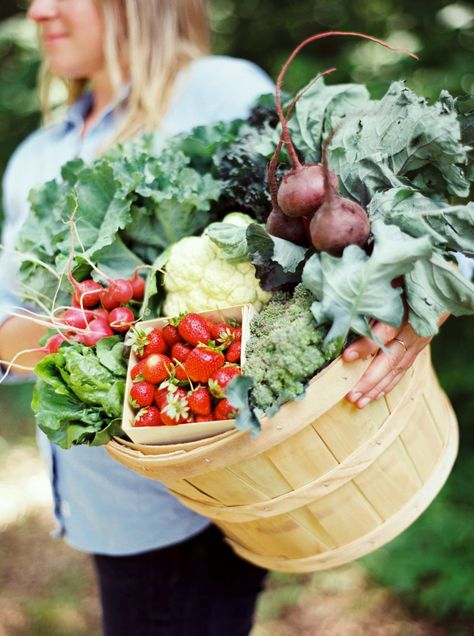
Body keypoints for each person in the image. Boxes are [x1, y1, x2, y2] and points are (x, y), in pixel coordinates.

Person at [0, 1, 454, 635]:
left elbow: (346, 209)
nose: (38, 9)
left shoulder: (215, 89)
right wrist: (104, 321)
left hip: (210, 493)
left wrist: (408, 297)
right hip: (108, 501)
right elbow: (10, 338)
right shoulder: (33, 155)